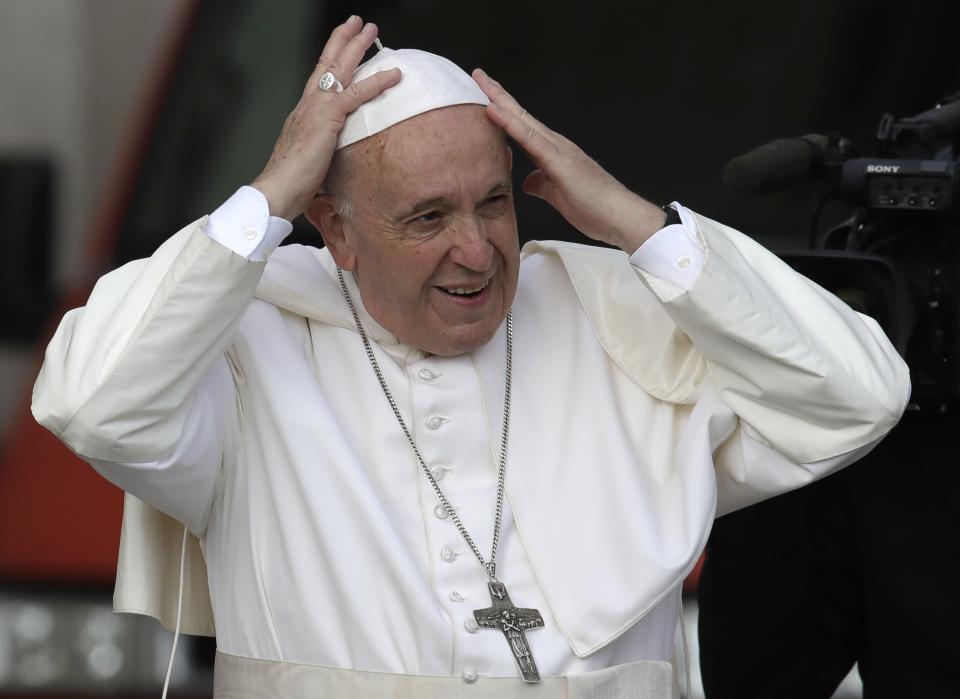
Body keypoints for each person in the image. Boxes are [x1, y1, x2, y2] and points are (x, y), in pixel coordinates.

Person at [32, 16, 910, 698]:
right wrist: (266, 196)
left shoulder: (615, 323)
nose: (478, 252)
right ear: (334, 228)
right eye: (427, 217)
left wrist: (639, 225)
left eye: (493, 203)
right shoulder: (245, 347)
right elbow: (92, 402)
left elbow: (859, 395)